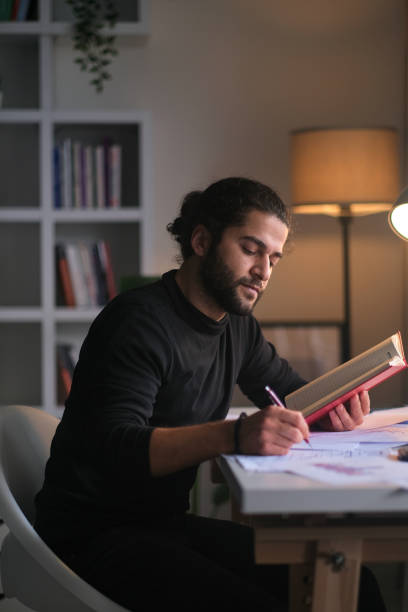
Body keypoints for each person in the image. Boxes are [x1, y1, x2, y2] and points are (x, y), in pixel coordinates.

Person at [34, 177, 385, 611]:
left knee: (359, 588)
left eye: (273, 257)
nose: (264, 271)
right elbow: (116, 446)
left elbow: (291, 396)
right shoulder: (138, 323)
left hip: (161, 525)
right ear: (201, 240)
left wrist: (330, 410)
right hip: (91, 536)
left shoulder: (237, 326)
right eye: (251, 249)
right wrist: (232, 436)